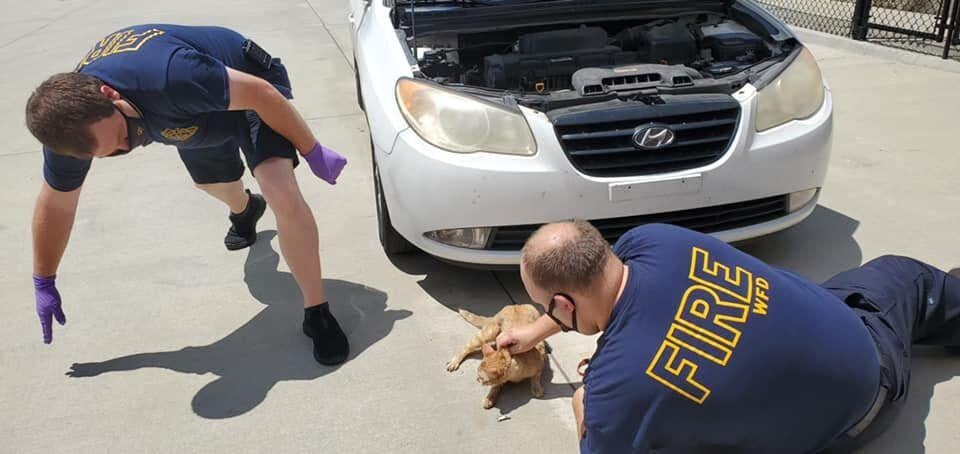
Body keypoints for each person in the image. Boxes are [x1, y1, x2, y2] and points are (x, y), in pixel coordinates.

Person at [26, 24, 350, 365]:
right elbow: (57, 204)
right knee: (214, 186)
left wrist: (312, 150)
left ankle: (317, 312)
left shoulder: (170, 76)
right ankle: (245, 208)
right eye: (111, 153)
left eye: (124, 136)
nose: (126, 146)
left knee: (281, 190)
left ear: (109, 94)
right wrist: (44, 279)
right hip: (183, 115)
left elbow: (261, 94)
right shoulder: (68, 131)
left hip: (245, 85)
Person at [496, 220, 960, 453]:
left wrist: (583, 408)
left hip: (863, 400)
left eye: (544, 306)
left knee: (900, 279)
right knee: (893, 275)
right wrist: (535, 330)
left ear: (563, 304)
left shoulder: (616, 390)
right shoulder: (655, 240)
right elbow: (590, 288)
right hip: (842, 339)